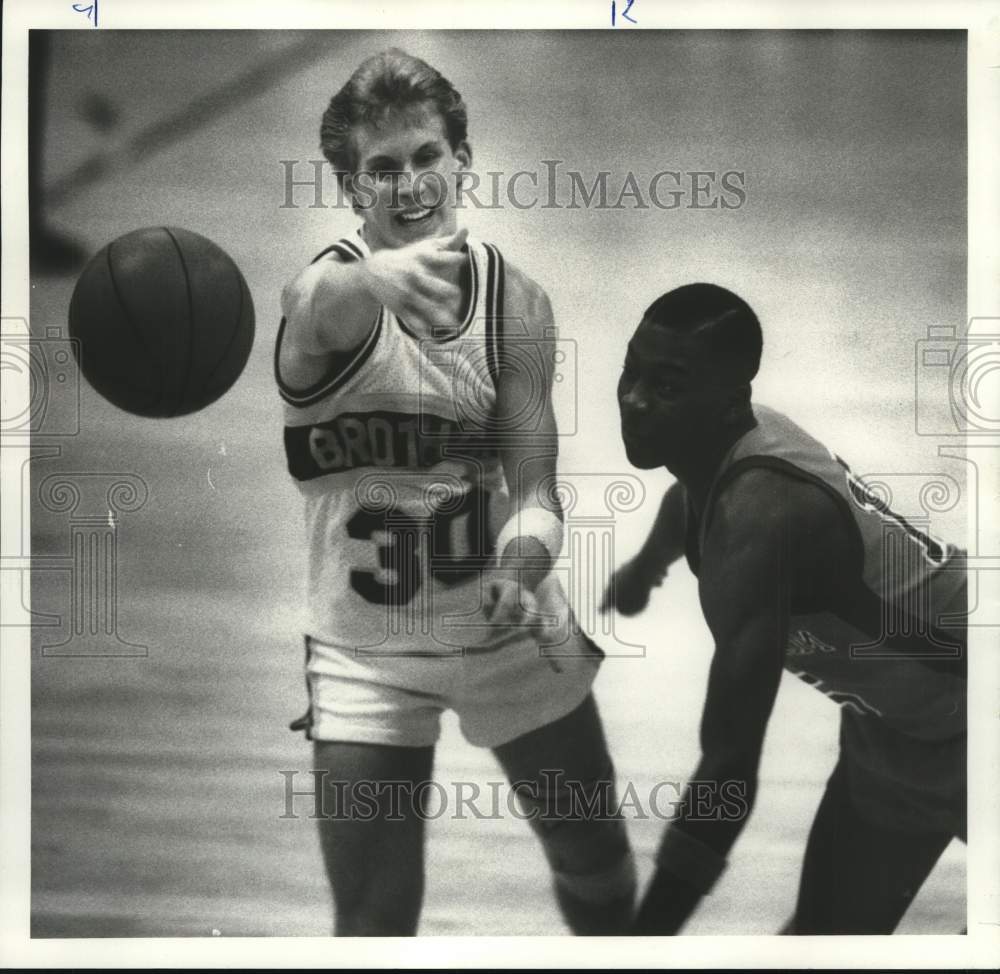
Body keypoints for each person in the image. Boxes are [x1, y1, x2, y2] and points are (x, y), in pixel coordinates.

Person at [276, 49, 635, 936]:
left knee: (598, 866)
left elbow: (538, 492)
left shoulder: (516, 304)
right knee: (373, 917)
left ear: (463, 162)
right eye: (382, 169)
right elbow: (310, 298)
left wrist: (522, 560)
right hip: (368, 651)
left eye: (426, 157)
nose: (409, 185)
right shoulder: (328, 300)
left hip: (506, 629)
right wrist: (375, 278)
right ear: (352, 189)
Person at [603, 283, 967, 935]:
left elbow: (729, 774)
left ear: (729, 399)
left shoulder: (760, 521)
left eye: (668, 384)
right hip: (894, 737)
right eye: (632, 369)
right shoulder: (724, 453)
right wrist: (644, 570)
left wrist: (644, 940)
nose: (634, 398)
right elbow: (688, 500)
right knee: (821, 946)